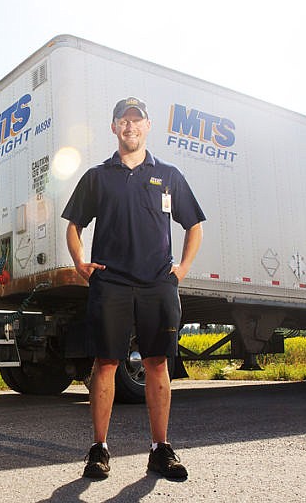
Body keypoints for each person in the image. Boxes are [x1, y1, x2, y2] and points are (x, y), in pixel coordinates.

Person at [62, 97, 205, 480]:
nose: (130, 127)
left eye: (136, 121)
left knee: (158, 363)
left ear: (147, 126)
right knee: (106, 362)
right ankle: (99, 449)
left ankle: (160, 449)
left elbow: (194, 225)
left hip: (158, 284)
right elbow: (74, 226)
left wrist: (181, 270)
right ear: (113, 128)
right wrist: (80, 264)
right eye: (123, 121)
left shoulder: (168, 175)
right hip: (111, 284)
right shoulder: (97, 176)